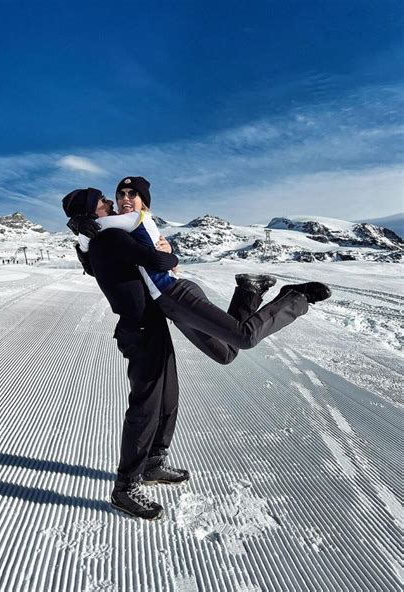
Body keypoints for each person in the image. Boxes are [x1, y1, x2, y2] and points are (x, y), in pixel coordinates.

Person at [67, 176, 331, 366]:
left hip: (175, 294)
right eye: (120, 195)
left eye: (132, 194)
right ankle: (249, 291)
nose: (125, 199)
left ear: (144, 203)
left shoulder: (133, 219)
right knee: (225, 354)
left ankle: (297, 296)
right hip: (170, 303)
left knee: (245, 337)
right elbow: (102, 254)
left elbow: (96, 230)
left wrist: (80, 224)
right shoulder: (124, 227)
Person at [62, 188, 189, 521]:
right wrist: (171, 254)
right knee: (145, 408)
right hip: (140, 328)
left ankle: (153, 463)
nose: (110, 203)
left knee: (167, 399)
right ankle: (124, 488)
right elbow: (159, 261)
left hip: (150, 324)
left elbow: (90, 264)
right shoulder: (109, 239)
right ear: (93, 213)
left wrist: (81, 230)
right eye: (103, 202)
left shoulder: (99, 239)